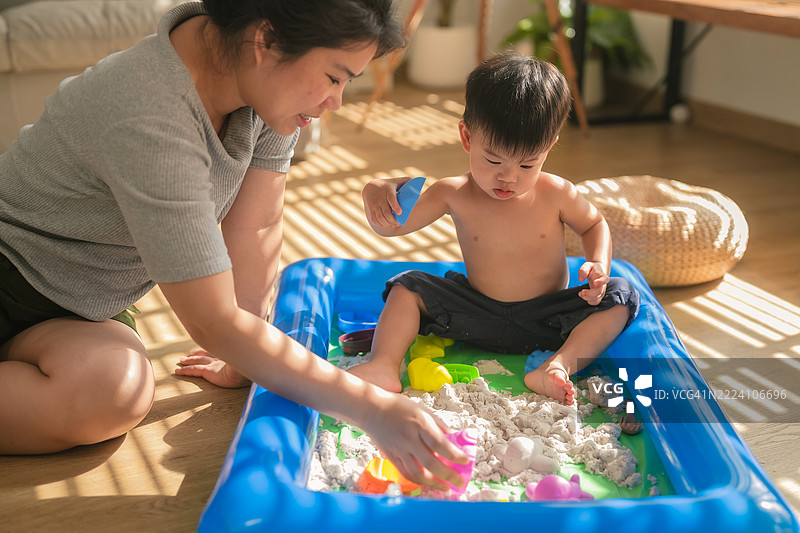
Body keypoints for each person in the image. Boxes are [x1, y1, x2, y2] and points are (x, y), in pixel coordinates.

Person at [0, 0, 468, 491]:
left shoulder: (262, 92)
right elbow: (211, 319)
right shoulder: (149, 113)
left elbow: (256, 227)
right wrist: (371, 407)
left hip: (78, 301)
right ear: (266, 40)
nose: (337, 102)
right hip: (11, 267)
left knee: (113, 392)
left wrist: (240, 356)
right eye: (334, 77)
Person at [350, 52, 640, 405]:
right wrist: (375, 191)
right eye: (493, 160)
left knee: (622, 294)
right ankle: (383, 365)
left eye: (527, 164)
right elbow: (393, 228)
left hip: (547, 318)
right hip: (477, 313)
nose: (508, 177)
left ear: (549, 147)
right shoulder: (452, 193)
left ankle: (555, 366)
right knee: (406, 286)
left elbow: (594, 223)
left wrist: (597, 264)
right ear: (467, 137)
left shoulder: (557, 193)